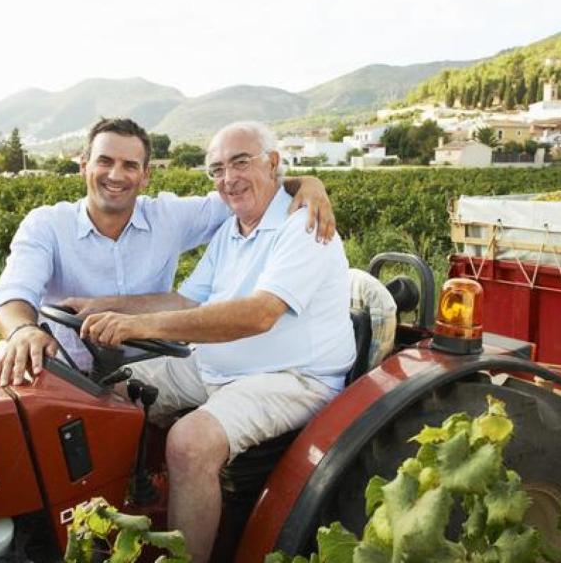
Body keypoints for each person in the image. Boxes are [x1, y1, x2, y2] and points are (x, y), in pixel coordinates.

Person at [78, 121, 355, 562]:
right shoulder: (232, 229)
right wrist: (104, 306)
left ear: (273, 164)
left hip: (293, 376)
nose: (229, 178)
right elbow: (185, 300)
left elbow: (260, 313)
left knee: (190, 442)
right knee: (110, 392)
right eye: (217, 169)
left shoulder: (303, 226)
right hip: (215, 365)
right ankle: (124, 514)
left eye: (240, 163)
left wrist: (141, 327)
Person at [0, 117, 336, 386]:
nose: (116, 175)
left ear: (145, 175)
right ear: (84, 166)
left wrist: (308, 183)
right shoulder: (46, 224)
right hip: (63, 371)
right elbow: (13, 296)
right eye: (105, 161)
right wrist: (22, 331)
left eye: (130, 165)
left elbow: (246, 190)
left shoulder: (169, 217)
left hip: (147, 363)